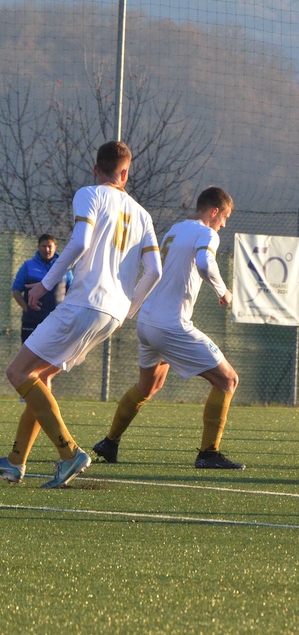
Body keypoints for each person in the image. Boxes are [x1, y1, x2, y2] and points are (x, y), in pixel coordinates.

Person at [0, 141, 161, 488]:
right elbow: (155, 270)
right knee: (39, 378)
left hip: (83, 305)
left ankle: (69, 452)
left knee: (17, 372)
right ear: (125, 173)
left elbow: (80, 241)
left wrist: (43, 284)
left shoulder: (90, 194)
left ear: (95, 170)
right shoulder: (142, 214)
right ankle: (15, 462)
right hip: (112, 314)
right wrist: (129, 307)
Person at [92, 187, 243, 470]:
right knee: (227, 381)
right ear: (214, 211)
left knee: (148, 386)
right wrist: (223, 291)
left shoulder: (175, 230)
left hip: (148, 322)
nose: (224, 223)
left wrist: (131, 310)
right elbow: (204, 262)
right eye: (225, 216)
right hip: (171, 325)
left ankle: (109, 442)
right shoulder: (208, 234)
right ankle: (209, 453)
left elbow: (155, 271)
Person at [11, 234, 73, 388]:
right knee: (29, 359)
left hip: (56, 322)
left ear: (55, 247)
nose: (47, 249)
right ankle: (27, 395)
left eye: (50, 246)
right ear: (38, 247)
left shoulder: (64, 268)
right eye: (44, 246)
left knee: (50, 362)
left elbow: (72, 292)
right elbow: (16, 290)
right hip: (32, 321)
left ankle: (44, 389)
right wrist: (27, 309)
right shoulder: (28, 266)